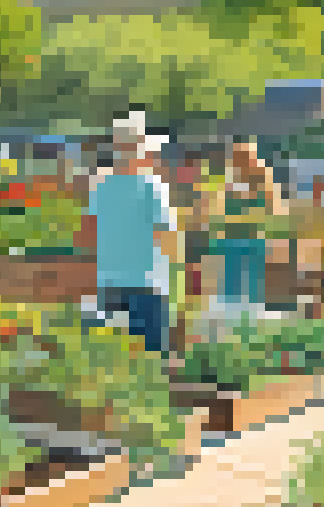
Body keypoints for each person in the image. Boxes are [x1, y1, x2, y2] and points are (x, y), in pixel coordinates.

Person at [92, 121, 179, 354]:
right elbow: (166, 238)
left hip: (107, 284)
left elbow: (89, 233)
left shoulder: (101, 187)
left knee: (110, 360)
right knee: (150, 361)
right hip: (148, 285)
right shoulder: (154, 187)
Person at [199, 138, 287, 315]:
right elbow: (213, 215)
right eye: (238, 159)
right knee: (232, 293)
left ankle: (247, 319)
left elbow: (275, 213)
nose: (240, 163)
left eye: (245, 158)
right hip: (232, 244)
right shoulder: (228, 184)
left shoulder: (263, 183)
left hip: (252, 243)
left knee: (252, 293)